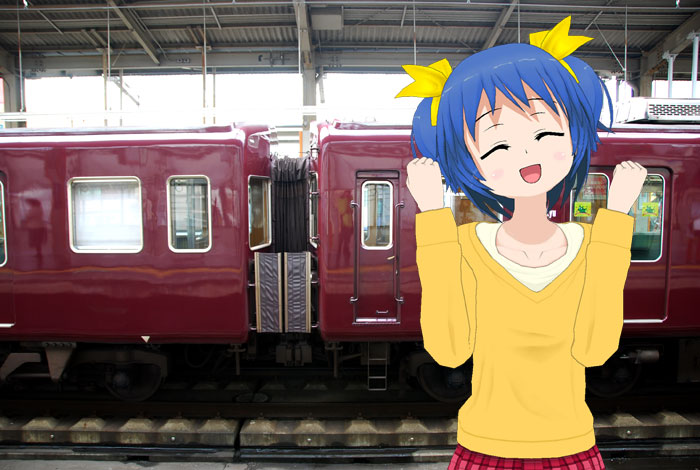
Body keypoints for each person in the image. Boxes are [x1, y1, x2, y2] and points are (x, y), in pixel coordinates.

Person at [397, 16, 647, 470]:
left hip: (570, 447)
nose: (526, 155)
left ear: (575, 134)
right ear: (470, 163)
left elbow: (595, 349)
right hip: (485, 448)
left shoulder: (594, 244)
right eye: (497, 147)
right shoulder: (466, 245)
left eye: (546, 133)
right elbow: (449, 349)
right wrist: (432, 214)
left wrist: (617, 217)